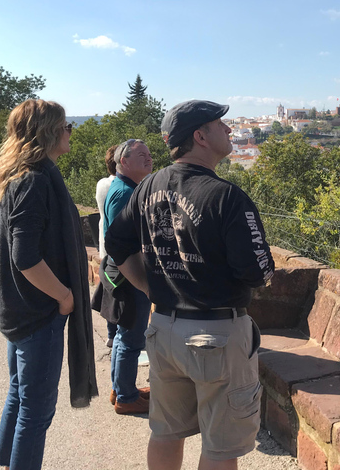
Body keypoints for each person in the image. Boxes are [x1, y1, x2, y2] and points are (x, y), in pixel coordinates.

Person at [105, 100, 274, 470]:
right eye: (221, 125)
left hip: (163, 328)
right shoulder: (227, 197)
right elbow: (258, 273)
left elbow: (116, 243)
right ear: (200, 136)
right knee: (220, 446)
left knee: (166, 432)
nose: (229, 131)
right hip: (217, 334)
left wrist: (149, 287)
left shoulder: (149, 185)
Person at [0, 99, 98, 470]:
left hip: (16, 309)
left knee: (18, 396)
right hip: (38, 313)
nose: (70, 132)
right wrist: (64, 296)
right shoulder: (35, 180)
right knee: (36, 414)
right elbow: (24, 256)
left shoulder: (13, 176)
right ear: (48, 132)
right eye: (66, 126)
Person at [103, 138, 153, 415]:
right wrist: (141, 281)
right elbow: (120, 242)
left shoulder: (127, 187)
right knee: (132, 338)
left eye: (149, 154)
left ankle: (120, 389)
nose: (149, 158)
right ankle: (126, 396)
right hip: (129, 275)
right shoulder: (125, 193)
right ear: (124, 162)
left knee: (125, 336)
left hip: (123, 273)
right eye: (141, 155)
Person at [96, 144, 119, 348]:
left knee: (108, 289)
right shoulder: (118, 187)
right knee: (117, 291)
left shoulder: (102, 183)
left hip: (103, 243)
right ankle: (117, 334)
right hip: (115, 248)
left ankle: (111, 333)